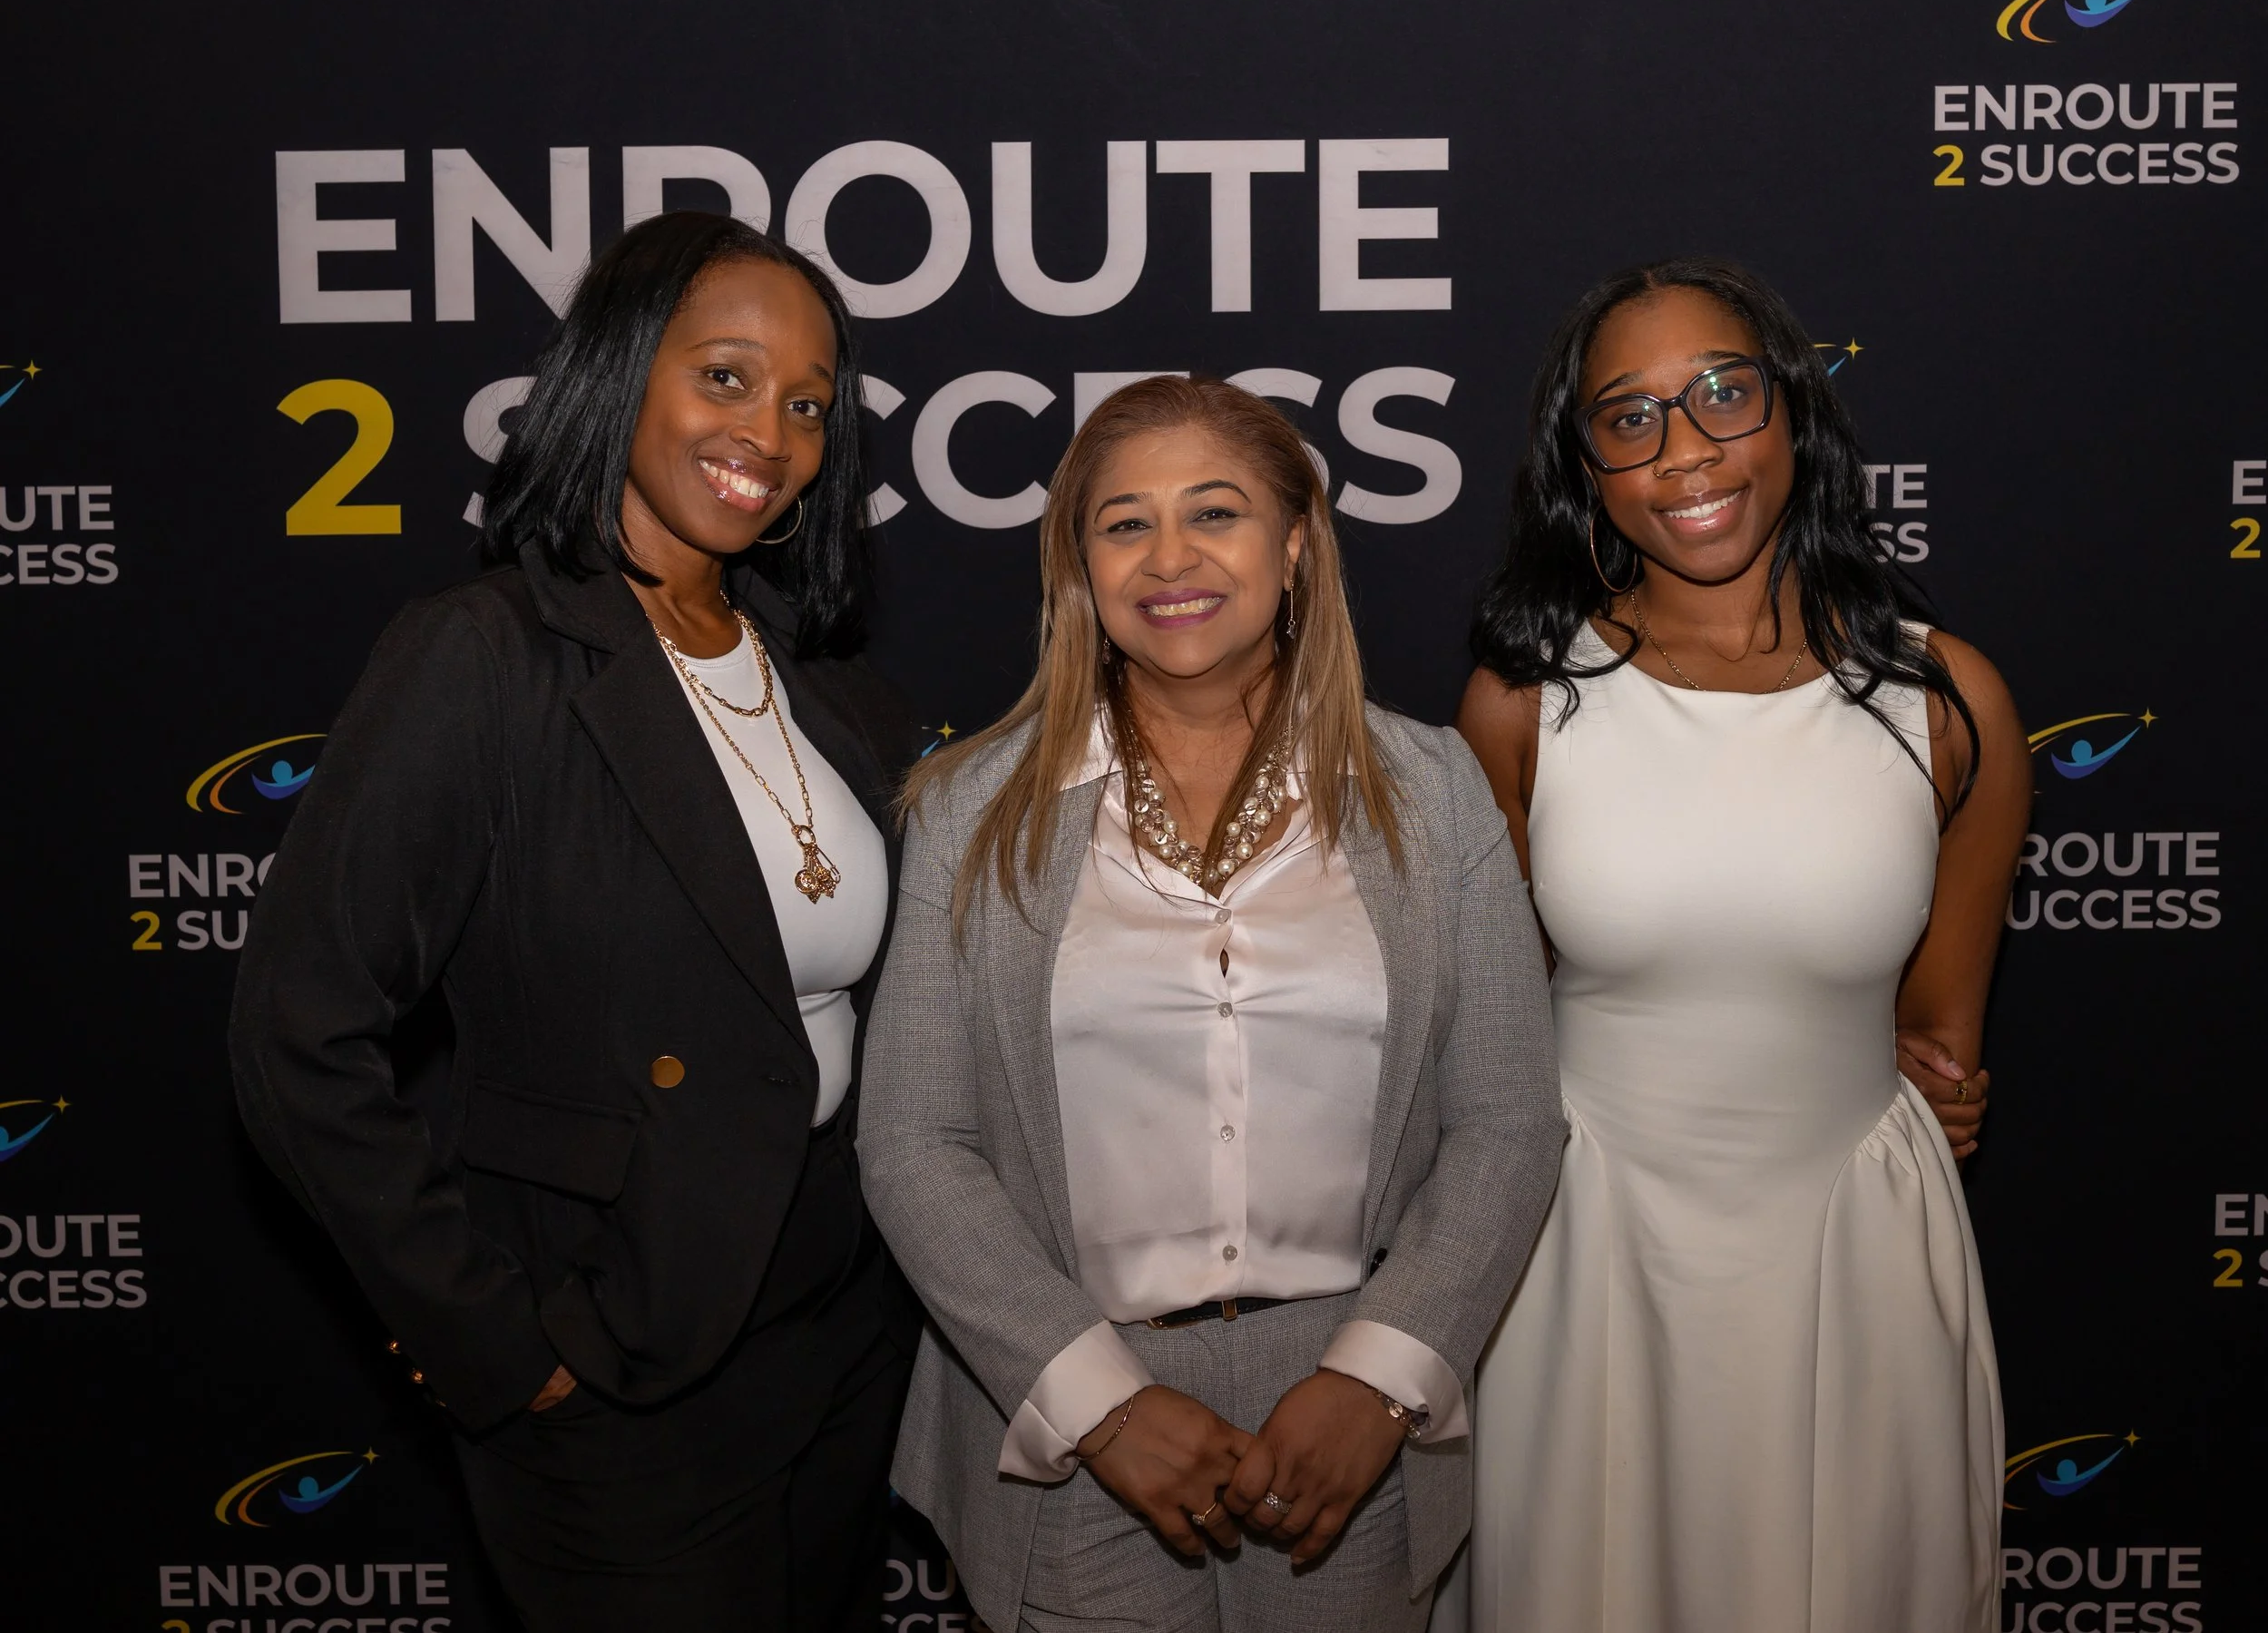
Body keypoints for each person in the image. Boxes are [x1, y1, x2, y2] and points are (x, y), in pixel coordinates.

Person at [230, 211, 923, 1632]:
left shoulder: (824, 678)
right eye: (725, 377)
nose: (771, 433)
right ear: (620, 370)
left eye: (809, 405)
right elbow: (300, 1034)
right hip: (623, 1353)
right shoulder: (485, 656)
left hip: (841, 1331)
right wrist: (491, 1340)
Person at [857, 376, 1564, 1633]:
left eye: (1215, 512)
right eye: (1125, 523)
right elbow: (916, 1142)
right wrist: (1103, 1402)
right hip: (1073, 1421)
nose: (1170, 557)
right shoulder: (972, 810)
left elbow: (1506, 1122)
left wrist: (1379, 1378)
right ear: (1080, 568)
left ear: (1294, 545)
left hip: (1346, 1418)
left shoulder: (1436, 788)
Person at [1450, 258, 2028, 1631]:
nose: (1687, 449)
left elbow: (1940, 1051)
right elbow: (1488, 1038)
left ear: (1793, 413)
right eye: (1629, 417)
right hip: (1582, 1260)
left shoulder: (1946, 700)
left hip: (1855, 1261)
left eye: (1724, 392)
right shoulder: (1522, 706)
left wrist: (1936, 1086)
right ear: (1584, 467)